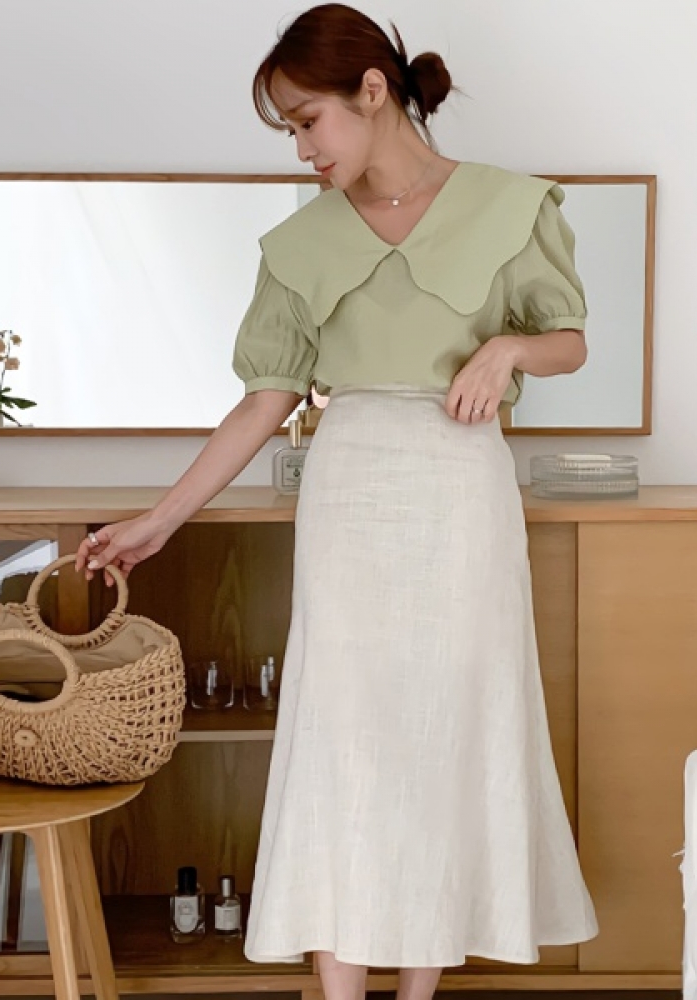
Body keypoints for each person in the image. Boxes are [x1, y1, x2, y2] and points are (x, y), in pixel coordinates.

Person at [76, 4, 598, 999]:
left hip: (463, 490)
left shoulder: (511, 205)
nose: (302, 149)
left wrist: (507, 349)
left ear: (372, 90)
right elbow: (264, 401)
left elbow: (567, 339)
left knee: (449, 731)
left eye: (308, 120)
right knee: (343, 742)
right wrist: (159, 519)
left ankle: (418, 990)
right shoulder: (298, 243)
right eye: (289, 130)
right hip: (350, 492)